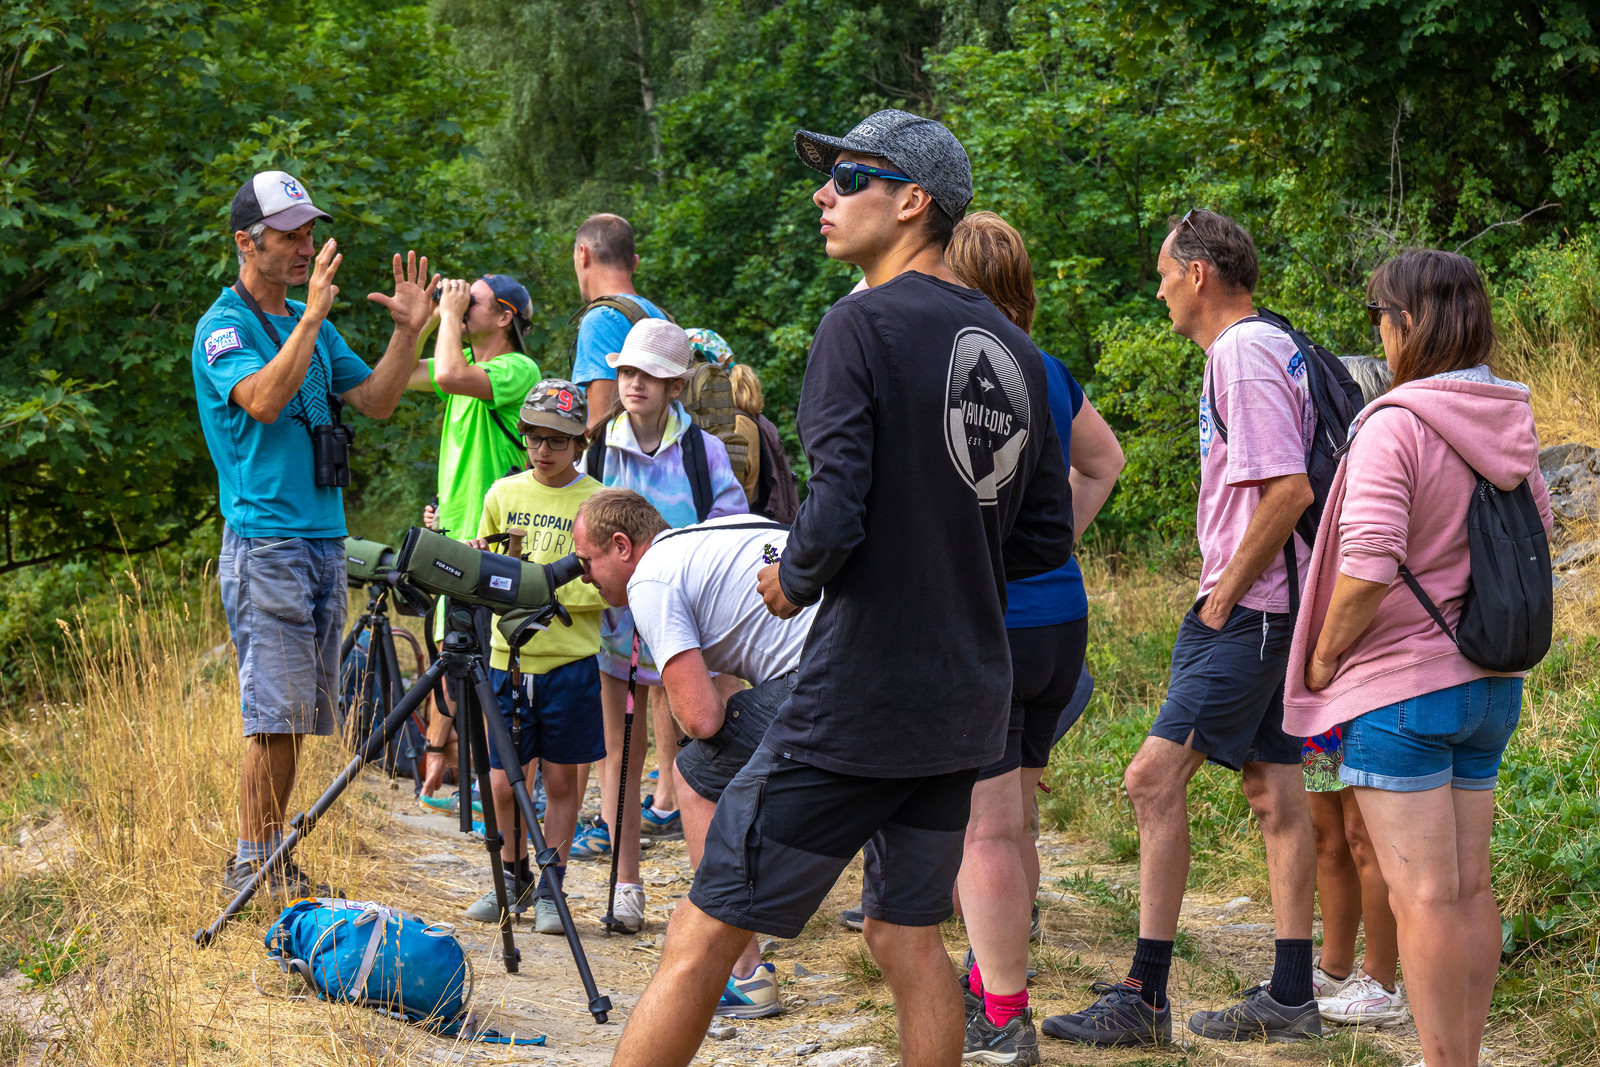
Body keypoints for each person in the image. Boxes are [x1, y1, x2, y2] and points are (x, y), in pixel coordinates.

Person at [609, 108, 1074, 1067]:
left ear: (914, 202)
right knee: (906, 937)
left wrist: (792, 577)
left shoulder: (859, 326)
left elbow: (835, 511)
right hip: (965, 703)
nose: (825, 195)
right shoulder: (1021, 358)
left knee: (703, 936)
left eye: (849, 178)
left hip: (860, 696)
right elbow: (1041, 540)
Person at [1044, 209, 1321, 1046]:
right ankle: (1293, 994)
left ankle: (1145, 995)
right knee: (1274, 790)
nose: (1158, 287)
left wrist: (1223, 595)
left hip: (1251, 611)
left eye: (1165, 272)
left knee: (1150, 780)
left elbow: (1288, 491)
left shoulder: (1240, 355)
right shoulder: (1273, 343)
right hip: (1276, 608)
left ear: (1199, 274)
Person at [1286, 249, 1552, 1067]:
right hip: (1488, 683)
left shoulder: (1396, 424)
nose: (1379, 332)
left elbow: (1367, 560)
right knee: (1469, 890)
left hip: (1399, 690)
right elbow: (1537, 537)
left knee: (1425, 895)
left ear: (1408, 322)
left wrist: (1325, 656)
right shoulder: (1510, 419)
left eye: (1380, 316)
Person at [191, 170, 437, 896]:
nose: (305, 246)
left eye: (308, 232)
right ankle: (251, 860)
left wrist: (406, 330)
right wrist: (307, 320)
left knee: (296, 710)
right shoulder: (223, 327)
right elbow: (264, 400)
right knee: (272, 711)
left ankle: (270, 854)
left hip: (323, 538)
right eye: (289, 236)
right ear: (246, 242)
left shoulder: (318, 325)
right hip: (265, 541)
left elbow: (378, 400)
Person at [942, 211, 1125, 1063]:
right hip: (1061, 619)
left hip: (995, 625)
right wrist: (1058, 543)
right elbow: (1106, 461)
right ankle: (991, 981)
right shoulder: (1046, 368)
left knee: (983, 830)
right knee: (1013, 824)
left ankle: (1004, 1017)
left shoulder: (962, 370)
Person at [571, 488, 818, 1019]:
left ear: (622, 546)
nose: (583, 576)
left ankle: (743, 972)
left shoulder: (651, 579)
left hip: (824, 675)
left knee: (695, 774)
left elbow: (701, 718)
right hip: (876, 652)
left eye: (587, 562)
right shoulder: (714, 534)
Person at [569, 318, 747, 934]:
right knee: (620, 749)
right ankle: (625, 885)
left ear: (676, 385)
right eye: (625, 372)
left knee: (704, 746)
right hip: (614, 625)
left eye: (649, 374)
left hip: (685, 626)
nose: (634, 384)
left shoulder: (705, 452)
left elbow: (729, 525)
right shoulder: (595, 446)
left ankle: (713, 893)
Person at [459, 379, 607, 933]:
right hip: (509, 658)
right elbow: (490, 576)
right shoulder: (503, 494)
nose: (543, 451)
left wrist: (546, 590)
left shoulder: (598, 501)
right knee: (503, 781)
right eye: (533, 438)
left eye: (558, 441)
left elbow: (607, 586)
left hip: (570, 660)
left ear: (580, 443)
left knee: (564, 781)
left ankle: (552, 886)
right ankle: (512, 876)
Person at [404, 273, 542, 801]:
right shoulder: (459, 369)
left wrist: (445, 319)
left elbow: (447, 371)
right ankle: (448, 767)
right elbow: (393, 378)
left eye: (473, 301)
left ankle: (504, 791)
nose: (459, 306)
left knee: (492, 671)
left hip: (495, 544)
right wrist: (418, 320)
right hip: (456, 536)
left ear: (505, 317)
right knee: (451, 656)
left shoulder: (515, 368)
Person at [1303, 354, 1407, 1029]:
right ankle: (1334, 964)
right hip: (1319, 679)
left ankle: (1383, 978)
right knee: (1325, 828)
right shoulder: (1320, 478)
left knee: (1366, 832)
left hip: (1367, 672)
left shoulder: (1388, 463)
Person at [570, 214, 670, 435]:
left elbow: (601, 426)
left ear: (583, 254)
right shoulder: (659, 316)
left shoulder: (601, 319)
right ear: (634, 262)